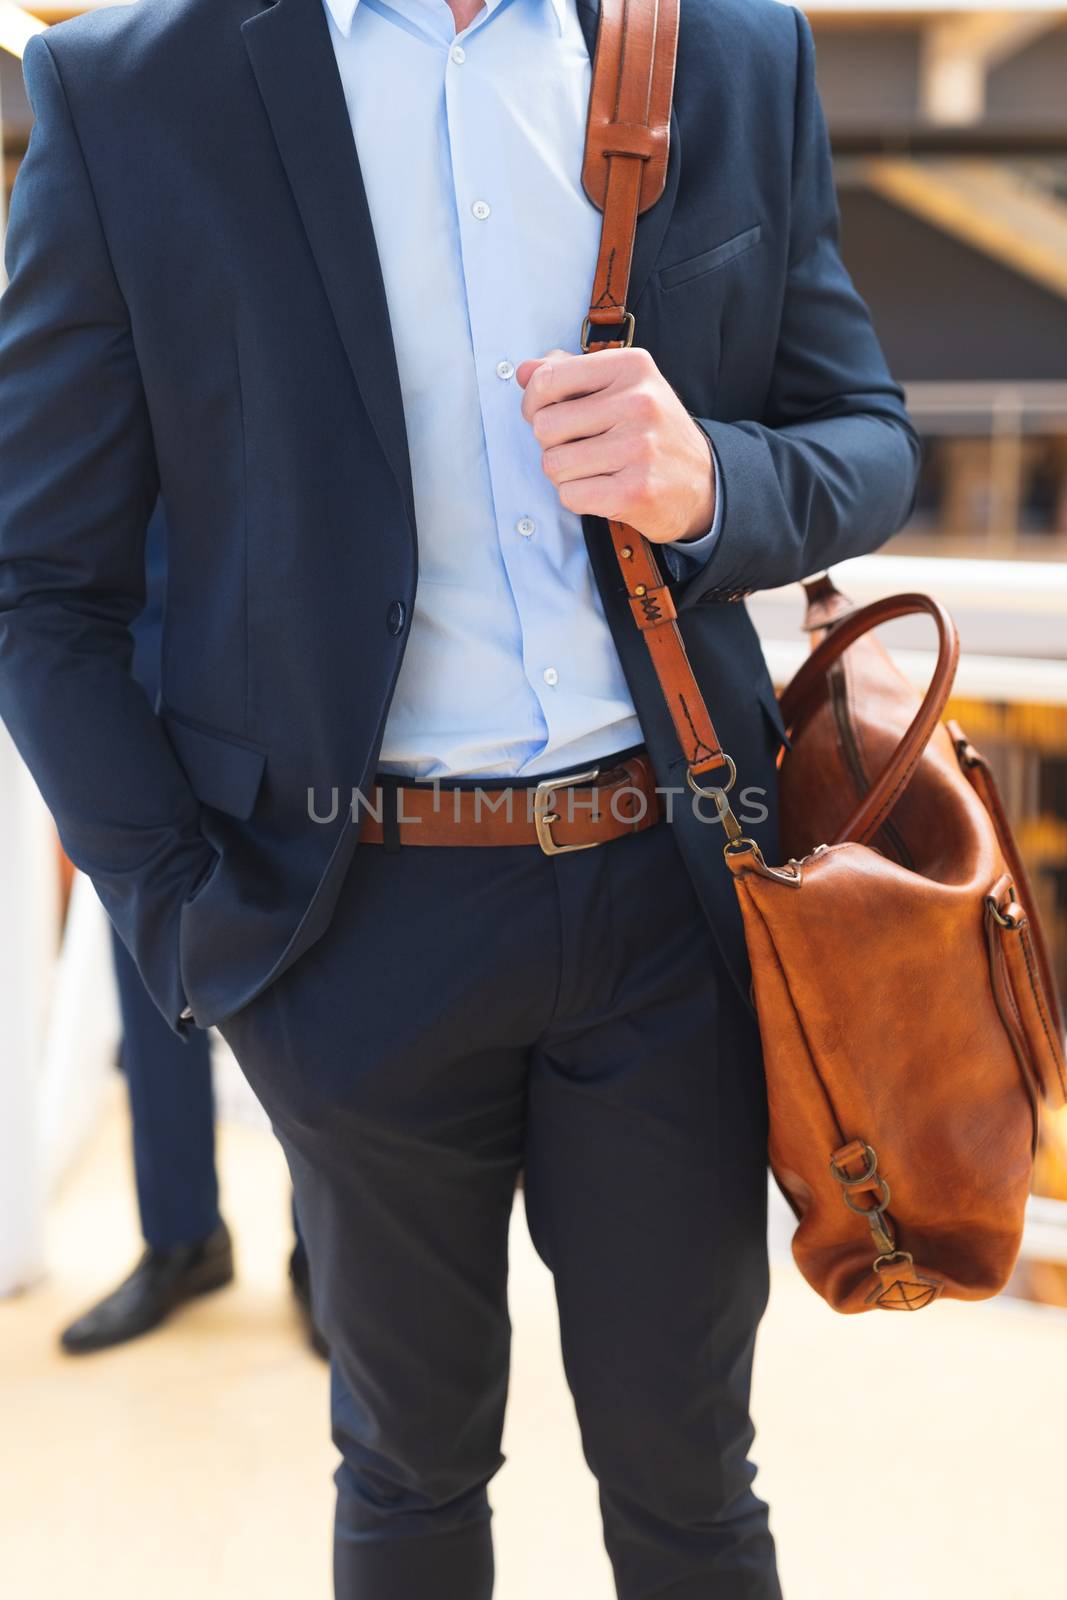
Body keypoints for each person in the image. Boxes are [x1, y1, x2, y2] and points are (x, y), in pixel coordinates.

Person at [0, 0, 919, 1594]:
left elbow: (864, 438)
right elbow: (38, 577)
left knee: (689, 1473)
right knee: (409, 1471)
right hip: (348, 922)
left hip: (669, 903)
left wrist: (710, 481)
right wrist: (183, 914)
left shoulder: (728, 46)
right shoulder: (129, 86)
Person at [57, 507, 324, 1357]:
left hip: (277, 681)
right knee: (150, 984)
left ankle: (322, 1250)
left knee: (308, 979)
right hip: (119, 686)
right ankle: (181, 1240)